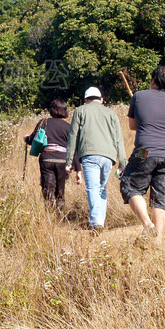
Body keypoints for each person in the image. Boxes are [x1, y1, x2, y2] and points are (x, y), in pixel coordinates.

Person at [119, 66, 165, 246]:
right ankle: (158, 239)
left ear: (153, 80)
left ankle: (148, 225)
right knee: (162, 196)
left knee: (129, 184)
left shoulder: (139, 96)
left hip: (144, 151)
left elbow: (133, 126)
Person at [65, 87, 127, 232]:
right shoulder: (111, 113)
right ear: (101, 100)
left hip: (89, 154)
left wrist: (69, 161)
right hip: (108, 156)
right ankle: (99, 223)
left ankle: (96, 222)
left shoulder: (80, 111)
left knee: (93, 187)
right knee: (101, 188)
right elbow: (119, 139)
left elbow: (73, 137)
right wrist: (122, 162)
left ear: (86, 100)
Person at [24, 99, 82, 217]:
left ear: (52, 110)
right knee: (60, 190)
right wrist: (78, 170)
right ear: (64, 111)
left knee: (48, 188)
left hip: (47, 159)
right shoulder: (68, 127)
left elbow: (33, 140)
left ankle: (50, 216)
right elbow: (73, 148)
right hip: (63, 161)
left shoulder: (43, 122)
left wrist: (25, 138)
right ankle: (59, 216)